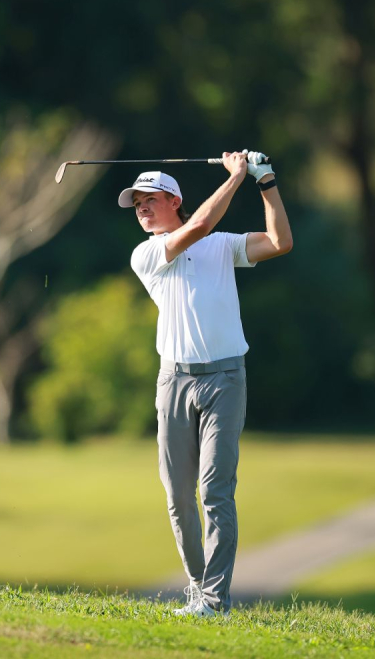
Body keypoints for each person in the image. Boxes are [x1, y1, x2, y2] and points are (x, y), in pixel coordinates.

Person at [121, 150, 292, 617]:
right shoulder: (147, 253)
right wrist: (236, 175)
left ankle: (215, 599)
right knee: (178, 495)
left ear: (174, 199)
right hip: (173, 381)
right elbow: (195, 227)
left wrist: (265, 180)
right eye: (136, 203)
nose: (141, 209)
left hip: (225, 378)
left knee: (215, 489)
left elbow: (280, 242)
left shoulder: (222, 245)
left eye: (149, 200)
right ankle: (199, 589)